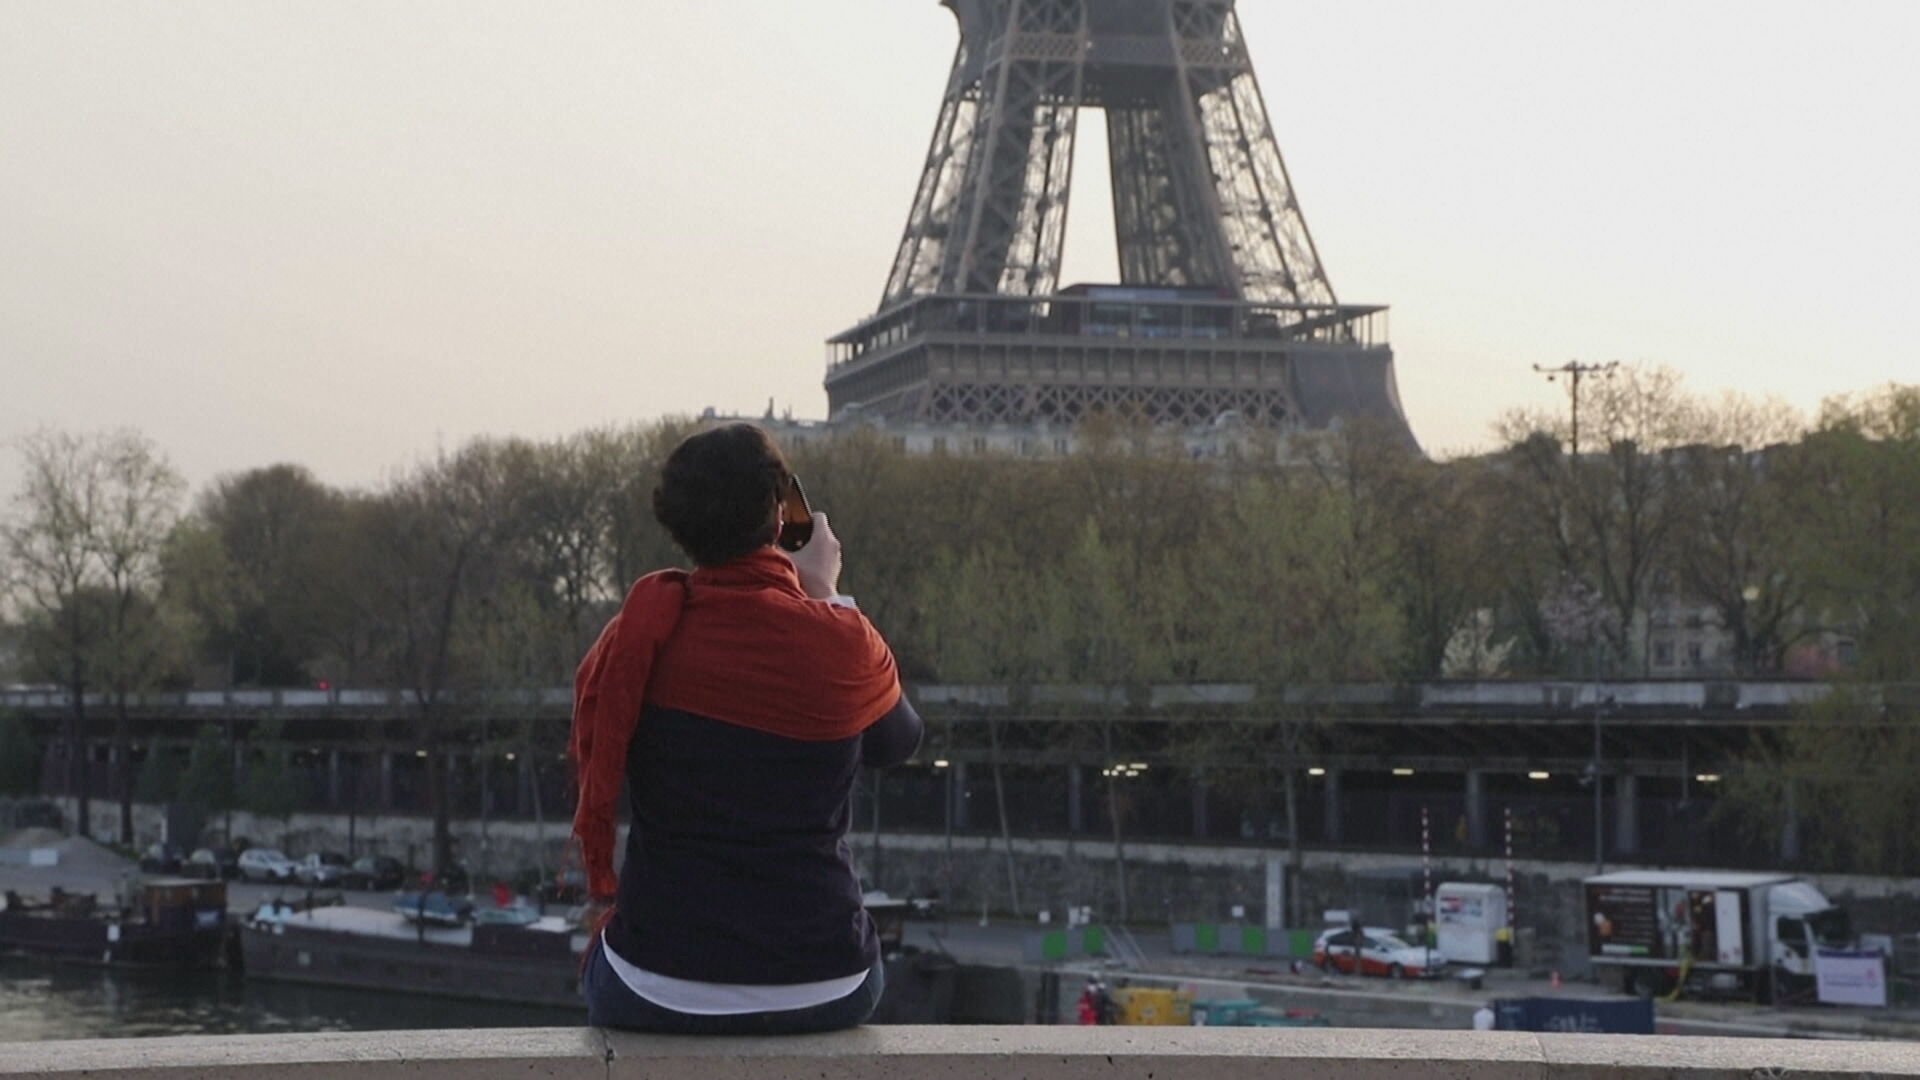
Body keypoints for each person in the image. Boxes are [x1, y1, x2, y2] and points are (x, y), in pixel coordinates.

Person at [572, 423, 923, 1035]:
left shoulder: (637, 644)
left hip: (656, 983)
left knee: (601, 961)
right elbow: (897, 742)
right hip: (828, 980)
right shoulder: (839, 642)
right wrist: (826, 591)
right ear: (783, 513)